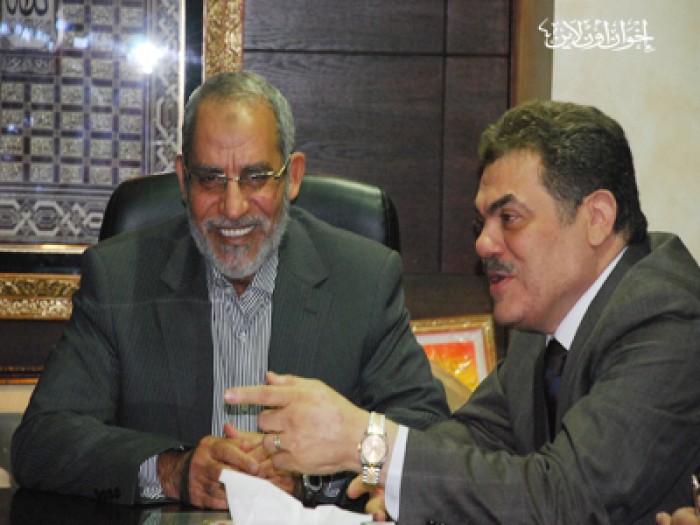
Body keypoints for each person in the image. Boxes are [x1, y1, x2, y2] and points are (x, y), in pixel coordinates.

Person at [226, 100, 700, 524]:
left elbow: (567, 498)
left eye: (509, 218)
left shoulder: (665, 317)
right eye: (482, 222)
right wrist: (378, 479)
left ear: (596, 218)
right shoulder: (543, 322)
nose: (484, 243)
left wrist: (365, 441)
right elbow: (471, 437)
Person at [10, 71, 449, 509]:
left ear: (293, 177)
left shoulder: (364, 279)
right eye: (211, 179)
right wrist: (173, 471)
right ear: (183, 180)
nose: (233, 208)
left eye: (256, 177)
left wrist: (313, 480)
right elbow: (42, 441)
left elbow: (426, 438)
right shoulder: (119, 277)